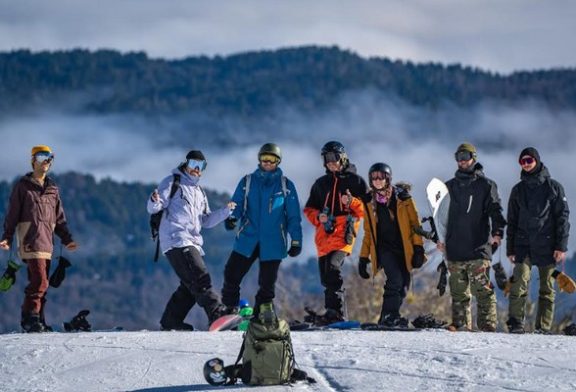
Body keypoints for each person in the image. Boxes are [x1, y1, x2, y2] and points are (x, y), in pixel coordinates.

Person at [147, 149, 235, 330]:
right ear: (186, 164)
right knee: (199, 276)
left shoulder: (199, 191)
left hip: (192, 241)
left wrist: (225, 211)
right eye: (193, 164)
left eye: (200, 166)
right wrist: (153, 200)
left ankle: (171, 320)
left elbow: (206, 220)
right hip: (176, 239)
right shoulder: (172, 182)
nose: (196, 169)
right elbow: (155, 207)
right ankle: (216, 313)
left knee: (189, 286)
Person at [0, 145, 78, 332]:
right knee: (40, 281)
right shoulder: (23, 186)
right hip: (29, 239)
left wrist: (67, 239)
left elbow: (59, 218)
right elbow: (12, 215)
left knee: (41, 283)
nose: (47, 161)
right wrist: (7, 237)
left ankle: (39, 320)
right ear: (33, 160)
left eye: (50, 157)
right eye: (43, 156)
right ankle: (30, 318)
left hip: (46, 243)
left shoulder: (52, 189)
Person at [221, 143, 302, 322]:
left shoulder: (286, 185)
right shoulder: (248, 181)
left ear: (278, 161)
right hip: (248, 237)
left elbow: (293, 216)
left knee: (267, 284)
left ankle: (262, 314)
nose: (267, 162)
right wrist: (232, 217)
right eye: (264, 158)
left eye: (272, 159)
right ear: (259, 160)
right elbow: (237, 204)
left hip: (273, 241)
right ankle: (229, 310)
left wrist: (296, 240)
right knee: (231, 274)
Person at [437, 143, 506, 332]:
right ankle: (460, 325)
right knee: (459, 292)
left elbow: (495, 210)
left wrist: (498, 232)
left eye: (465, 156)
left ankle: (488, 326)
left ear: (473, 158)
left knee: (483, 290)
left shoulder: (486, 185)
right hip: (455, 247)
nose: (462, 160)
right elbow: (440, 216)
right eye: (458, 156)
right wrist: (439, 239)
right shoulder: (448, 187)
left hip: (478, 246)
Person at [506, 147, 570, 334]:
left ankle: (543, 327)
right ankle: (516, 324)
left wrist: (561, 246)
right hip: (522, 244)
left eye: (529, 160)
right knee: (519, 284)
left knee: (547, 288)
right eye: (522, 161)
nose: (526, 164)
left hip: (548, 245)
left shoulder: (554, 187)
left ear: (537, 160)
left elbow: (563, 218)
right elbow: (512, 220)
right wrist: (510, 248)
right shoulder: (517, 190)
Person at [303, 141, 368, 324]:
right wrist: (319, 218)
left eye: (334, 158)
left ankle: (338, 312)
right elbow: (309, 209)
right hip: (324, 236)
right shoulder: (321, 184)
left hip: (344, 234)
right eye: (327, 158)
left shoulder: (356, 182)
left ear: (343, 158)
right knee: (326, 275)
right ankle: (331, 312)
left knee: (333, 267)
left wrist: (352, 202)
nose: (331, 162)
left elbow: (368, 211)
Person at [358, 163, 426, 327]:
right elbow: (369, 233)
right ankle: (391, 315)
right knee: (394, 279)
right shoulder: (369, 202)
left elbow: (415, 225)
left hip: (403, 248)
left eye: (381, 177)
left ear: (388, 178)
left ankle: (386, 318)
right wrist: (363, 257)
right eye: (374, 177)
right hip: (384, 249)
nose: (378, 180)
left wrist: (418, 248)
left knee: (403, 285)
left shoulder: (403, 199)